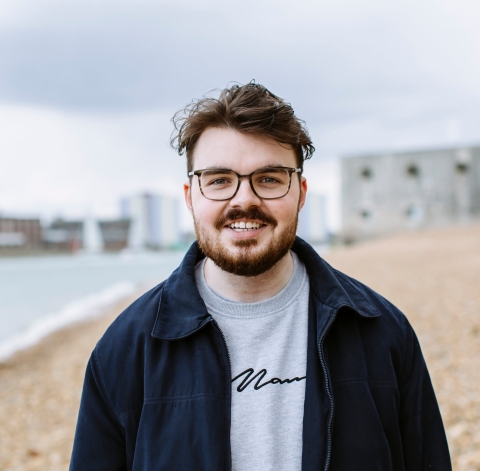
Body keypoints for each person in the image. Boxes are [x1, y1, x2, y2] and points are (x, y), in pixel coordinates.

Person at [70, 82, 451, 470]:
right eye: (219, 180)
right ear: (190, 197)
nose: (243, 199)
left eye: (269, 178)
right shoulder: (126, 349)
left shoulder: (382, 332)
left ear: (300, 193)